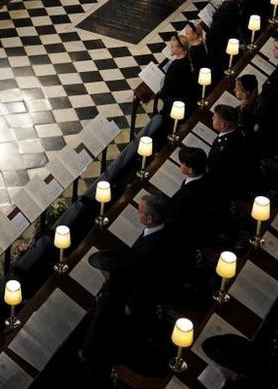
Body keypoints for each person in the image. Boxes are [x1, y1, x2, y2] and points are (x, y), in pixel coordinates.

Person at [80, 193, 173, 382]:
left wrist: (131, 304)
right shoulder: (160, 234)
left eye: (140, 212)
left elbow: (143, 279)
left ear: (148, 219)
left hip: (133, 311)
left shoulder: (149, 248)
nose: (137, 213)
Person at [168, 146, 214, 248]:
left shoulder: (187, 196)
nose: (180, 164)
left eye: (182, 163)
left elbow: (179, 220)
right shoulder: (206, 177)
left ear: (190, 170)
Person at [207, 105, 249, 207]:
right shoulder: (237, 132)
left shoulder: (226, 146)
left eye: (215, 117)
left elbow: (218, 172)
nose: (212, 118)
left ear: (223, 124)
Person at [206, 0, 242, 77]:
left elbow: (215, 30)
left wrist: (207, 37)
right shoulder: (234, 4)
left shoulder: (226, 10)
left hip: (219, 44)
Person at [160, 35, 197, 119]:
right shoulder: (187, 58)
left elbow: (167, 86)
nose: (171, 49)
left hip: (173, 99)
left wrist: (161, 95)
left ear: (180, 49)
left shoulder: (175, 66)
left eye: (173, 47)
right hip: (182, 95)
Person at [234, 73, 261, 139]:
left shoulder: (247, 112)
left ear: (246, 93)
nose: (234, 90)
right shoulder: (256, 102)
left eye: (238, 89)